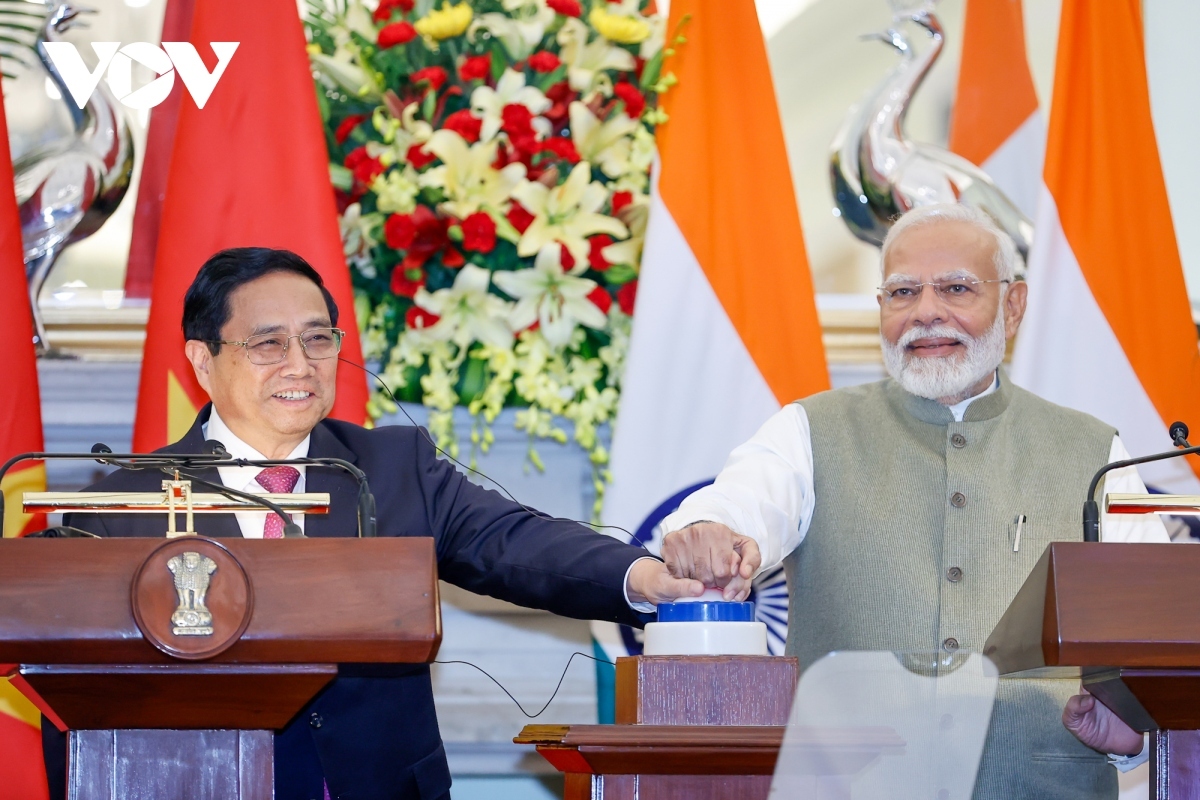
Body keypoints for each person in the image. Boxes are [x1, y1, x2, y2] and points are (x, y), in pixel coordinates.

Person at [43, 247, 696, 800]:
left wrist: (649, 576)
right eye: (268, 343)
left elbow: (514, 540)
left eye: (318, 338)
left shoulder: (389, 466)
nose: (299, 363)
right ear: (203, 361)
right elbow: (58, 667)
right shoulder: (123, 502)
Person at [656, 203, 1169, 799]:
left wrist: (1135, 731)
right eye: (903, 292)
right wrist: (709, 530)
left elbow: (1157, 642)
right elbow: (739, 507)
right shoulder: (810, 430)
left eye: (956, 288)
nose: (926, 313)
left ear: (1013, 305)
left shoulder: (1095, 450)